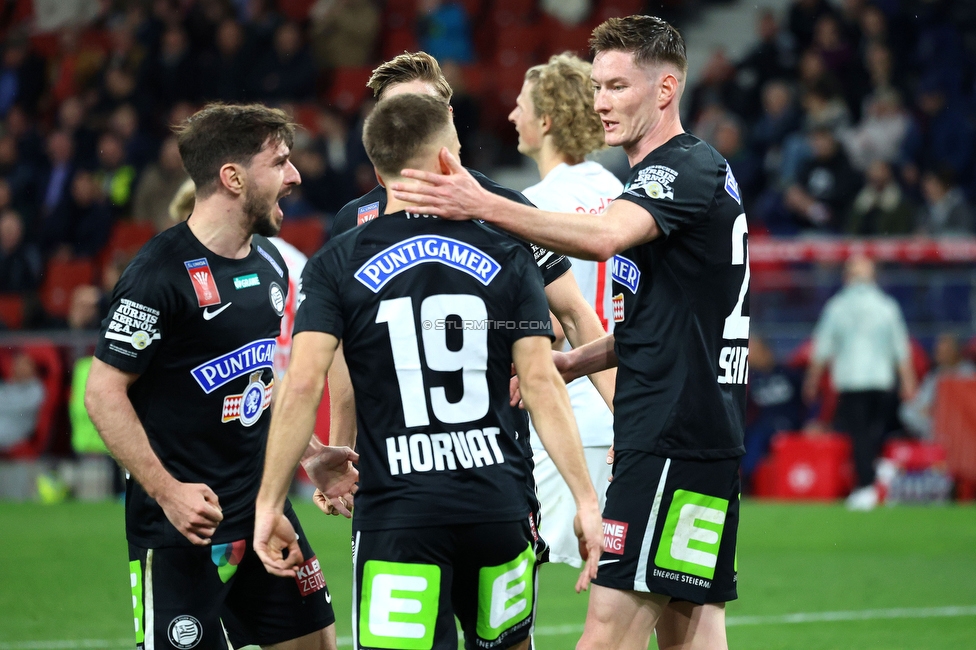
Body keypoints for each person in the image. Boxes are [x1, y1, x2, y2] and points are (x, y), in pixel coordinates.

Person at [391, 15, 749, 650]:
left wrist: (484, 204)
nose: (601, 102)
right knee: (692, 629)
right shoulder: (669, 178)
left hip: (670, 433)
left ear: (666, 90)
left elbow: (607, 236)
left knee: (607, 631)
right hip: (694, 429)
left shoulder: (683, 166)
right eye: (597, 87)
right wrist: (571, 364)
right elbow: (664, 326)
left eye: (617, 86)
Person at [253, 92, 604, 650]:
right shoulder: (509, 252)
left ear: (377, 166)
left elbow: (303, 385)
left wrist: (270, 503)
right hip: (497, 506)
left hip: (398, 512)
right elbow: (541, 384)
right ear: (447, 161)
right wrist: (587, 501)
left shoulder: (336, 263)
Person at [84, 103, 356, 650]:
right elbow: (103, 393)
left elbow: (258, 386)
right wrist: (168, 493)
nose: (295, 176)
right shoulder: (156, 275)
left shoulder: (272, 265)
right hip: (185, 528)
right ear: (232, 178)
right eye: (279, 162)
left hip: (262, 510)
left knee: (317, 645)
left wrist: (307, 453)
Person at [323, 51, 614, 516]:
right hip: (391, 475)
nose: (411, 126)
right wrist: (342, 450)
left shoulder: (503, 208)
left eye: (423, 112)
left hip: (494, 468)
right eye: (397, 114)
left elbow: (577, 316)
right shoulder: (351, 225)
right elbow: (341, 359)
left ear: (449, 120)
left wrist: (629, 429)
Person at [508, 53, 622, 568]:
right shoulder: (620, 193)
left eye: (521, 105)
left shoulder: (532, 205)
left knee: (511, 568)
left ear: (546, 120)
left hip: (564, 408)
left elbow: (552, 321)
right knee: (619, 577)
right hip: (621, 399)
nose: (512, 115)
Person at [803, 254, 916, 511]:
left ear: (847, 277)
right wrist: (909, 381)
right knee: (873, 433)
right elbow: (900, 347)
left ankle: (866, 486)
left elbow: (821, 348)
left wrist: (811, 381)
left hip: (852, 381)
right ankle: (874, 476)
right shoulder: (887, 305)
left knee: (860, 435)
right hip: (881, 381)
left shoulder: (838, 306)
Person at [900, 333, 976, 440]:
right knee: (907, 411)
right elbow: (921, 401)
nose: (939, 353)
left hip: (960, 420)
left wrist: (938, 408)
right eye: (938, 349)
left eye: (944, 350)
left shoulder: (967, 373)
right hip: (935, 419)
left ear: (955, 351)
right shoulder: (935, 375)